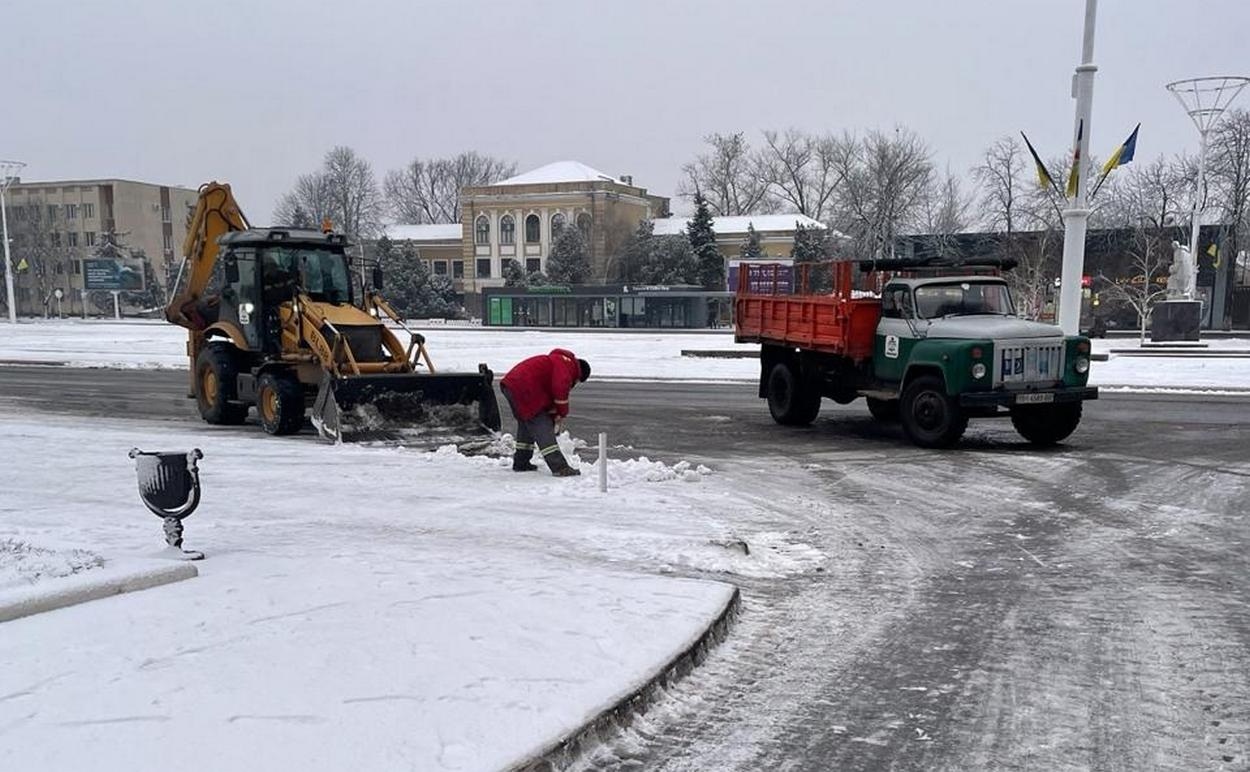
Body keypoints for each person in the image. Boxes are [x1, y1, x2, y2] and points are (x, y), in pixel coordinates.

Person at [499, 349, 591, 477]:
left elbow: (549, 393)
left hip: (512, 385)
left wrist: (554, 414)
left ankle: (522, 462)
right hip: (525, 387)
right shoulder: (566, 367)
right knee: (542, 427)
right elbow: (560, 388)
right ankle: (560, 467)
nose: (574, 383)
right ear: (579, 375)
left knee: (527, 423)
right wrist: (562, 412)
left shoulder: (558, 361)